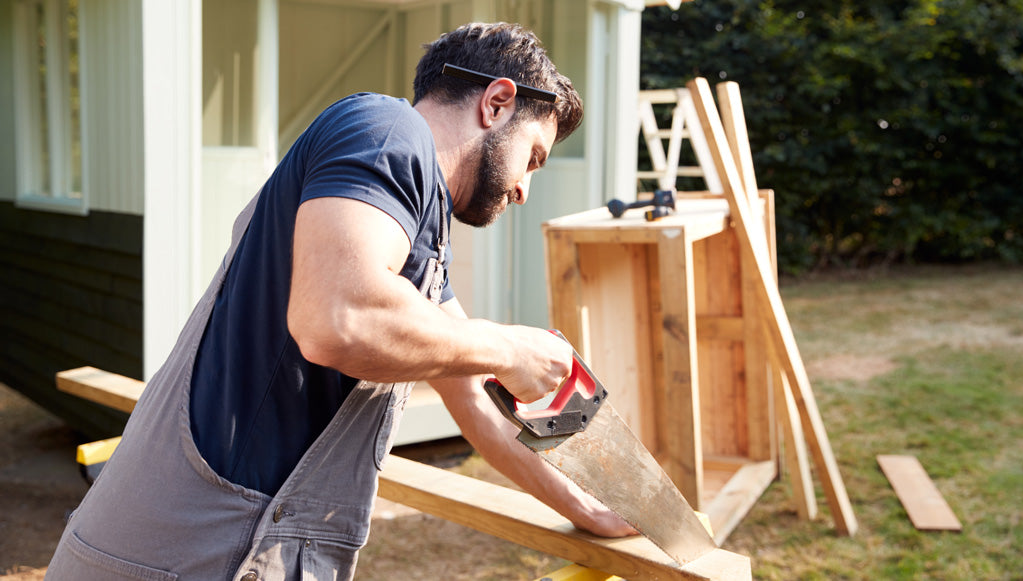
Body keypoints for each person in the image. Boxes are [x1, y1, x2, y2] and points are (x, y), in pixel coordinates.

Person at [45, 21, 634, 581]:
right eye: (533, 157)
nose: (526, 189)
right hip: (183, 552)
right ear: (497, 102)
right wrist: (509, 347)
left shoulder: (417, 239)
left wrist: (593, 507)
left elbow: (475, 397)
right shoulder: (384, 128)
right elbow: (337, 319)